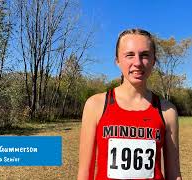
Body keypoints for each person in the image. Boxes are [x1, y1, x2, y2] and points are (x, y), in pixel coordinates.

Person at [77, 28, 182, 180]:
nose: (137, 63)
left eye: (145, 55)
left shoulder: (167, 110)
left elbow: (174, 174)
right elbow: (84, 173)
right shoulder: (96, 105)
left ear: (154, 60)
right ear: (117, 60)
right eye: (129, 55)